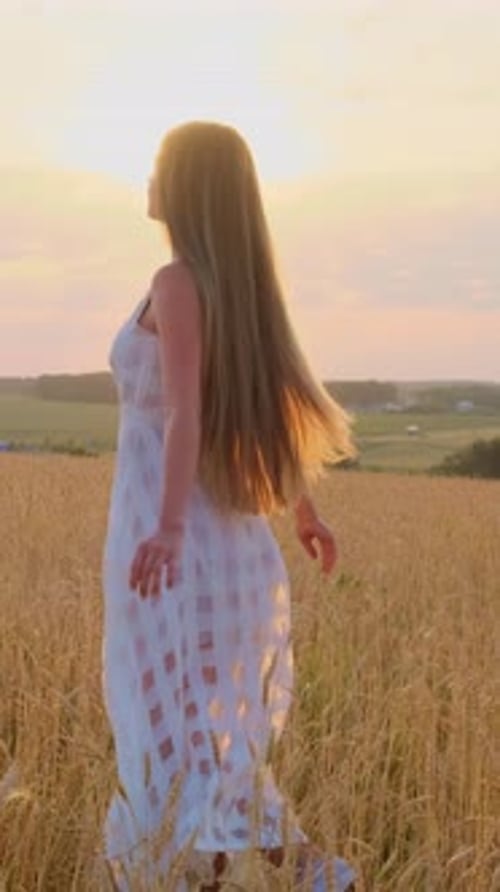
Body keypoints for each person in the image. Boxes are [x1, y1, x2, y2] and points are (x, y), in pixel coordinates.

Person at [101, 120, 357, 891]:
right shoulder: (233, 292)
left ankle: (303, 877)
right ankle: (321, 879)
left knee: (172, 745)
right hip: (225, 553)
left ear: (186, 185)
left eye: (157, 165)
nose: (146, 177)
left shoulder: (178, 284)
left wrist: (170, 528)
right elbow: (266, 405)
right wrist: (303, 512)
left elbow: (186, 412)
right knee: (208, 752)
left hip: (173, 554)